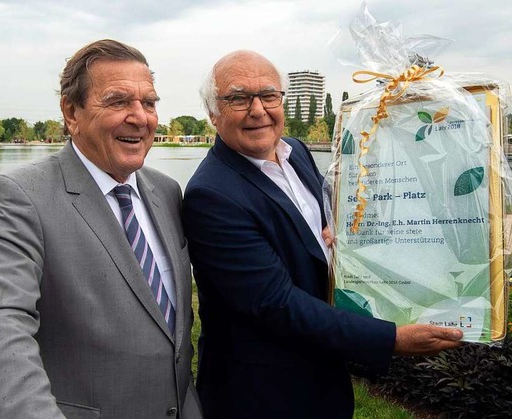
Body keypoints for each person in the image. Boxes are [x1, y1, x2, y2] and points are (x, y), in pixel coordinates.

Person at [182, 50, 463, 419]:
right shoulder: (211, 195)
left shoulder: (295, 151)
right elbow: (276, 304)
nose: (258, 110)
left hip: (323, 377)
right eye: (238, 98)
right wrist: (389, 338)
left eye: (269, 95)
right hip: (260, 395)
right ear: (212, 114)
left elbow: (321, 223)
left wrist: (335, 228)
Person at [0, 39, 201, 419]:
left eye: (149, 102)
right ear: (71, 112)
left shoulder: (166, 192)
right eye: (119, 101)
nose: (140, 117)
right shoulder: (18, 198)